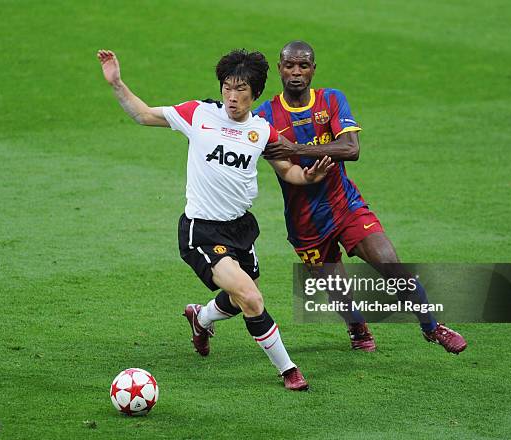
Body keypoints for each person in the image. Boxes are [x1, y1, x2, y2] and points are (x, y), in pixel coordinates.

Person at [97, 48, 334, 390]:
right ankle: (288, 370)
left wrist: (310, 176)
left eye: (241, 90)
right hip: (202, 230)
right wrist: (117, 82)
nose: (232, 97)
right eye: (227, 87)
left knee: (241, 295)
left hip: (239, 228)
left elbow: (289, 172)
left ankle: (201, 317)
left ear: (255, 94)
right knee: (250, 298)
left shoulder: (262, 132)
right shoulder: (198, 114)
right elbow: (143, 114)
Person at [256, 41, 467, 354]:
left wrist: (297, 149)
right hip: (306, 224)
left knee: (392, 266)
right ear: (279, 68)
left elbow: (351, 149)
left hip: (347, 206)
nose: (296, 72)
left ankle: (432, 327)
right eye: (290, 66)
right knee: (338, 290)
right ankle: (357, 328)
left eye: (303, 66)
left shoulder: (331, 99)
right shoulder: (265, 116)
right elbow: (283, 166)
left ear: (314, 69)